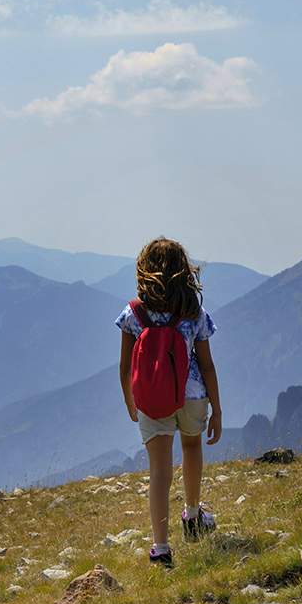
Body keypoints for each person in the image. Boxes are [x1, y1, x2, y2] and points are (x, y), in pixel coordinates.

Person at [116, 236, 222, 570]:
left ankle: (161, 548)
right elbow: (206, 364)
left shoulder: (133, 314)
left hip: (151, 397)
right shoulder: (194, 314)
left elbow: (124, 365)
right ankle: (192, 516)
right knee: (191, 448)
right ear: (183, 272)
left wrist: (131, 401)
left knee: (159, 472)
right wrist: (216, 410)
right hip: (191, 395)